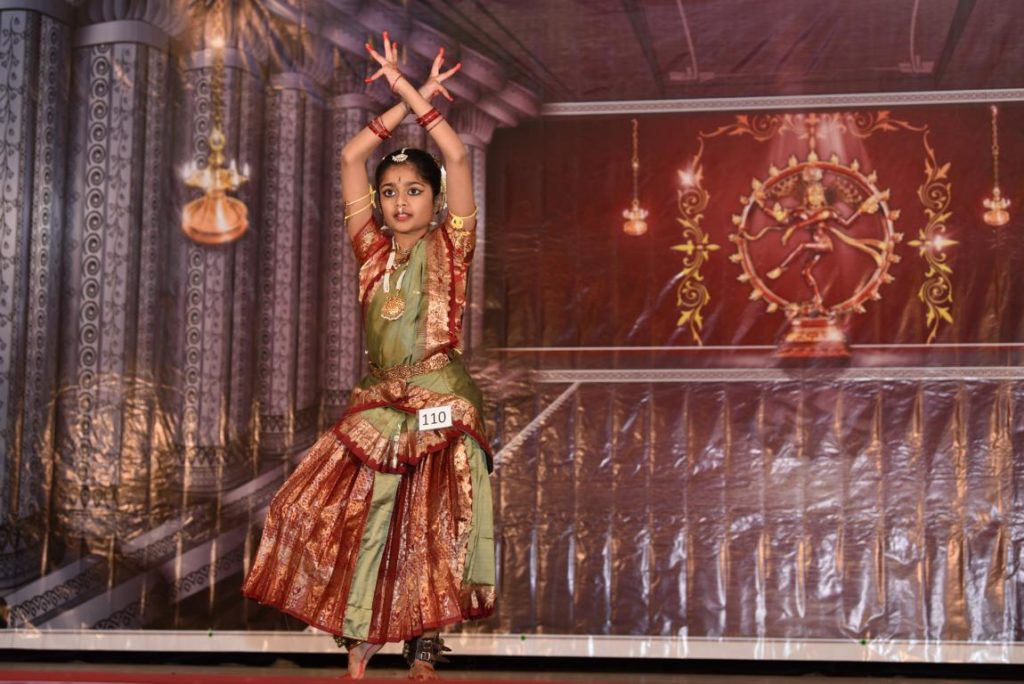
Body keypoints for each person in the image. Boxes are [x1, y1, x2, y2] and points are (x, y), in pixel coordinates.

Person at [242, 32, 495, 680]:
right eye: (389, 193)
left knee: (439, 511)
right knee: (354, 506)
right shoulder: (371, 251)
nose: (400, 202)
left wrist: (411, 91)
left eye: (414, 191)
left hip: (442, 402)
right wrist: (401, 99)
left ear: (436, 200)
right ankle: (362, 631)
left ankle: (425, 641)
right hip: (382, 399)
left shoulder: (453, 246)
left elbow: (456, 155)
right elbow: (352, 154)